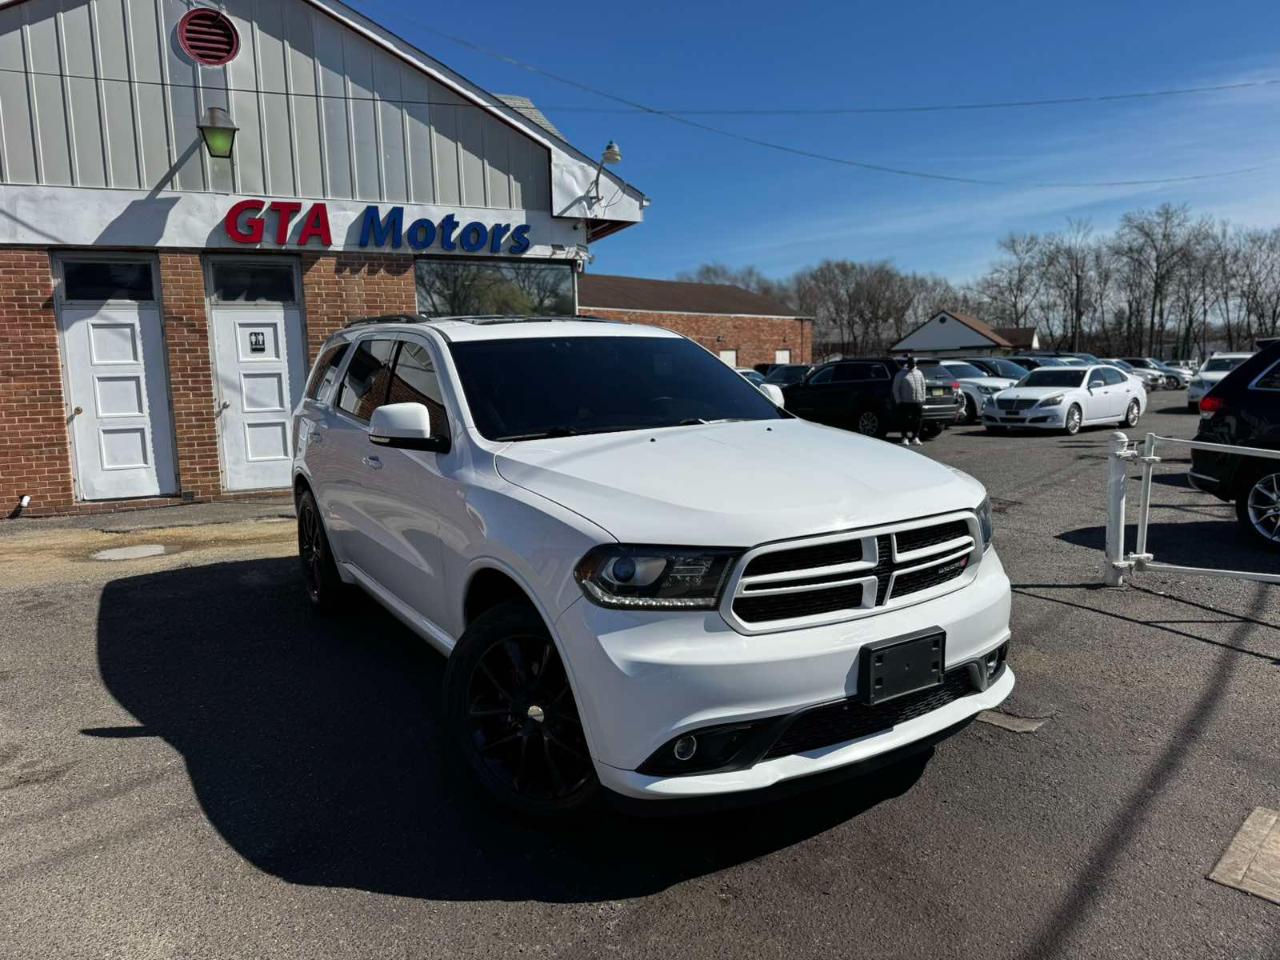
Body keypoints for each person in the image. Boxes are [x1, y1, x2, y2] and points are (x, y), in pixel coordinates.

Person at [893, 355, 927, 446]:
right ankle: (904, 438)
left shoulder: (919, 373)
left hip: (918, 401)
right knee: (905, 420)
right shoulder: (900, 374)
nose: (912, 365)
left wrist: (923, 398)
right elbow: (895, 389)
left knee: (918, 420)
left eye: (914, 363)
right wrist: (898, 400)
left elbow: (923, 385)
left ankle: (915, 437)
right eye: (911, 363)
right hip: (905, 401)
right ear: (908, 364)